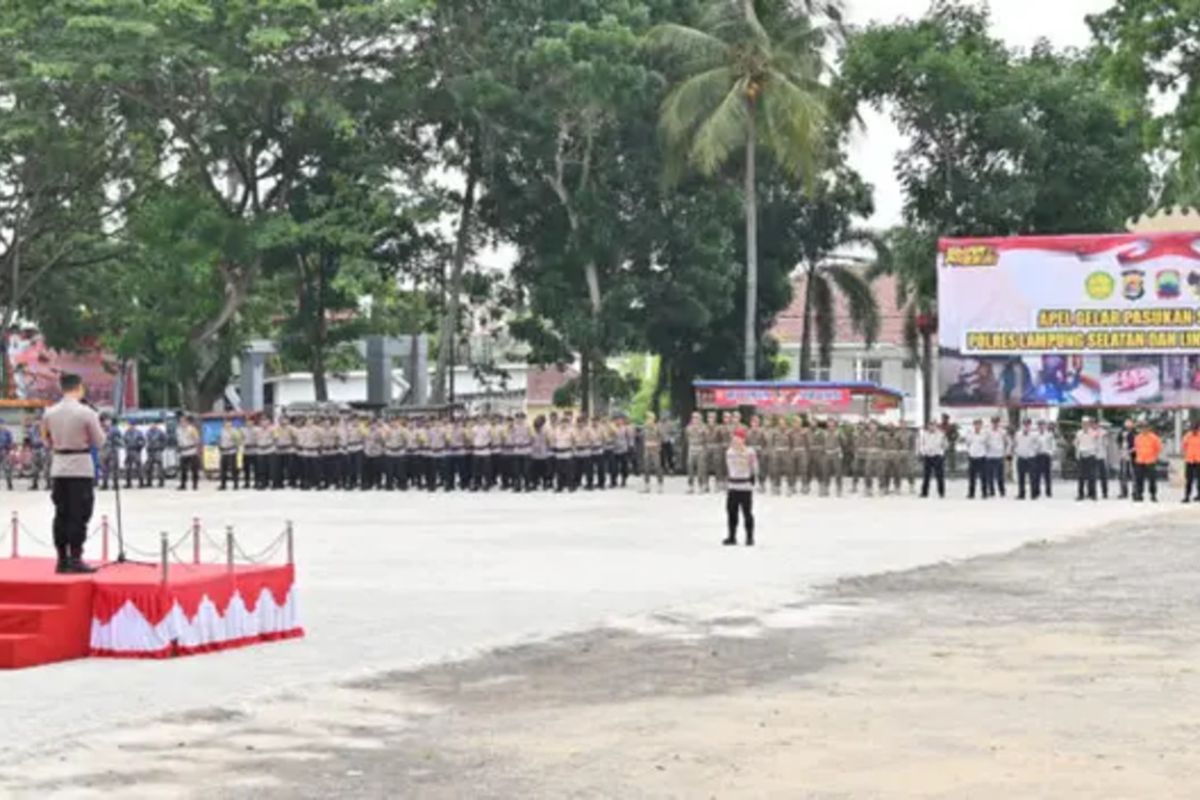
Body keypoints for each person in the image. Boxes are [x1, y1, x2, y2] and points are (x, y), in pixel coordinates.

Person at [42, 373, 105, 573]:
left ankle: (61, 559)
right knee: (79, 514)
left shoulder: (49, 413)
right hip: (80, 467)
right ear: (79, 387)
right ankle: (76, 558)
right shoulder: (86, 412)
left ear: (62, 388)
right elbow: (99, 441)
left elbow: (45, 441)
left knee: (61, 514)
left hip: (59, 466)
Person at [723, 428, 758, 547]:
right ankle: (732, 536)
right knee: (731, 513)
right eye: (735, 438)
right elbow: (729, 468)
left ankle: (749, 537)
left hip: (745, 486)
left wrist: (752, 477)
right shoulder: (729, 452)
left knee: (747, 513)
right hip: (733, 486)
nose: (736, 440)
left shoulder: (750, 452)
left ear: (743, 439)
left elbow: (754, 467)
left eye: (739, 438)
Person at [1132, 422, 1163, 503]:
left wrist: (1154, 457)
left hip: (1150, 460)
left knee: (1152, 479)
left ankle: (1153, 495)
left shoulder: (1154, 438)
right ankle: (1139, 494)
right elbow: (1136, 447)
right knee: (1139, 479)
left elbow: (1159, 448)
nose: (1144, 429)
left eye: (1145, 427)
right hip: (1140, 460)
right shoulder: (1137, 437)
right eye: (1142, 428)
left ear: (1149, 428)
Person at [1074, 417, 1101, 501]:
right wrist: (1078, 451)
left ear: (1089, 424)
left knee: (1092, 476)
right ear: (1081, 424)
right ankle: (1080, 494)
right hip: (1082, 455)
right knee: (1081, 476)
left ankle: (1093, 494)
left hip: (1091, 455)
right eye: (1083, 423)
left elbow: (1097, 442)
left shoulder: (1093, 432)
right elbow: (1075, 443)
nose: (1085, 425)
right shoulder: (1079, 433)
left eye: (1086, 423)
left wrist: (1095, 451)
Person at [1013, 419, 1041, 500]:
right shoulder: (1018, 434)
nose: (1026, 426)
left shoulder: (1034, 435)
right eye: (1025, 424)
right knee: (1021, 477)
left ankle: (1033, 494)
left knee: (1033, 476)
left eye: (1028, 424)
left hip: (1030, 457)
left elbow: (1038, 444)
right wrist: (1017, 451)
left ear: (1030, 425)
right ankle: (1021, 493)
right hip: (1021, 457)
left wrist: (1034, 451)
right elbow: (1015, 443)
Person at [918, 420, 946, 498]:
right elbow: (921, 444)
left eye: (933, 425)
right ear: (928, 426)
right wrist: (923, 452)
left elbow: (941, 444)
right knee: (926, 476)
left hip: (937, 456)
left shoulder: (940, 434)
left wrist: (938, 452)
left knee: (939, 476)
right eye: (930, 425)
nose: (931, 427)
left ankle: (941, 493)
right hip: (927, 456)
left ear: (935, 426)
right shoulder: (924, 434)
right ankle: (924, 493)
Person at [964, 419, 989, 499]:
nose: (977, 426)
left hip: (982, 457)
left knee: (983, 476)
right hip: (972, 457)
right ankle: (971, 493)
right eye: (976, 424)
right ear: (973, 425)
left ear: (981, 425)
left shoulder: (985, 433)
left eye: (979, 424)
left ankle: (984, 493)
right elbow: (967, 443)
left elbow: (985, 442)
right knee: (972, 477)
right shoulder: (970, 433)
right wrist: (970, 452)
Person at [641, 411, 665, 494]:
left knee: (657, 467)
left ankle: (660, 485)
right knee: (646, 468)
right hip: (647, 449)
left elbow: (662, 437)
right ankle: (646, 486)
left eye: (650, 418)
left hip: (655, 450)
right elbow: (643, 437)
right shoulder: (645, 427)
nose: (648, 420)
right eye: (647, 418)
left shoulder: (657, 427)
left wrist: (658, 445)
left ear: (653, 419)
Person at [985, 417, 1008, 498]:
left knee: (1000, 475)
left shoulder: (1002, 432)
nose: (995, 424)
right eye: (994, 422)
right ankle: (991, 491)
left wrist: (1004, 452)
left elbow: (1006, 442)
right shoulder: (987, 432)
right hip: (990, 456)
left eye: (996, 422)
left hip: (999, 455)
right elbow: (985, 442)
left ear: (998, 423)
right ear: (991, 423)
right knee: (990, 476)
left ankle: (1002, 491)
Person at [176, 414, 201, 491]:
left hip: (192, 451)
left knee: (194, 469)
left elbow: (197, 440)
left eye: (183, 421)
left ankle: (195, 485)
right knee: (183, 470)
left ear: (187, 422)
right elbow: (178, 440)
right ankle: (183, 484)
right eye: (180, 421)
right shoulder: (178, 430)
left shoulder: (192, 429)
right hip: (183, 452)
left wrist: (198, 451)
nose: (181, 423)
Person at [685, 412, 707, 494]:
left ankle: (701, 485)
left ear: (700, 419)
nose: (695, 419)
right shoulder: (688, 428)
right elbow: (687, 438)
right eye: (694, 417)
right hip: (691, 448)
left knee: (700, 468)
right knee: (690, 467)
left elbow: (706, 439)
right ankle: (690, 486)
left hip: (700, 448)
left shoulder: (704, 427)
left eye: (697, 418)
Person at [218, 419, 241, 490]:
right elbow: (219, 440)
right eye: (226, 423)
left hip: (231, 451)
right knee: (223, 470)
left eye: (229, 423)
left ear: (231, 424)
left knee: (233, 469)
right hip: (224, 452)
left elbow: (238, 441)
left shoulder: (234, 431)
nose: (227, 425)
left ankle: (236, 484)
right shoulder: (221, 431)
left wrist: (236, 447)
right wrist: (219, 446)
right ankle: (223, 485)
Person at [1035, 420, 1055, 498]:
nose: (1041, 427)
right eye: (1040, 425)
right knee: (1037, 475)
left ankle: (1048, 491)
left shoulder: (1049, 435)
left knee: (1047, 475)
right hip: (1038, 455)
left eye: (1042, 425)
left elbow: (1053, 445)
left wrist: (1051, 453)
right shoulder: (1035, 435)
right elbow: (1033, 444)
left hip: (1046, 455)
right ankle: (1037, 491)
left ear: (1045, 426)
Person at [1117, 418, 1136, 499]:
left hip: (1133, 456)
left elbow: (1137, 444)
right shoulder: (1121, 433)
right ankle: (1123, 492)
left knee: (1134, 474)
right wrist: (1121, 448)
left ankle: (1135, 491)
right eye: (1126, 426)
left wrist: (1132, 450)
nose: (1128, 427)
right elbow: (1118, 442)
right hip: (1123, 455)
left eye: (1129, 425)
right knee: (1122, 474)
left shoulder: (1135, 433)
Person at [144, 423, 167, 488]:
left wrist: (161, 448)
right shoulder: (148, 432)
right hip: (150, 451)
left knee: (160, 468)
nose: (152, 425)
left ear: (156, 425)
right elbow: (147, 441)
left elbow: (165, 440)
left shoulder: (160, 432)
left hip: (157, 451)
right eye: (151, 424)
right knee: (148, 467)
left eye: (153, 424)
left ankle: (161, 483)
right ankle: (149, 482)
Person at [1182, 421, 1200, 504]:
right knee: (1189, 479)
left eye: (1196, 429)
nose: (1194, 430)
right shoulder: (1187, 436)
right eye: (1193, 429)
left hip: (1199, 460)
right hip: (1189, 460)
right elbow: (1184, 447)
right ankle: (1187, 496)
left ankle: (1199, 495)